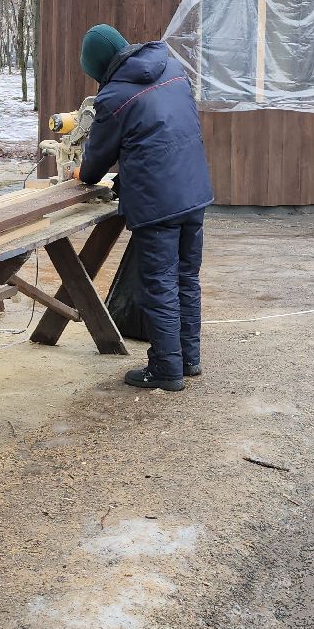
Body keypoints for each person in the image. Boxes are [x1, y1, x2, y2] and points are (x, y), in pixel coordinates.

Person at [77, 23, 214, 393]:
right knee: (186, 276)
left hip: (158, 202)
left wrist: (82, 173)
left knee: (159, 282)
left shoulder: (115, 97)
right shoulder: (172, 68)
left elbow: (94, 166)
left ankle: (166, 369)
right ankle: (189, 357)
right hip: (194, 189)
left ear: (100, 66)